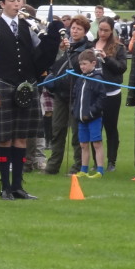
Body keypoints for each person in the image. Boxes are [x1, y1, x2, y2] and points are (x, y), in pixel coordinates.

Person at [0, 0, 62, 200]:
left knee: (21, 139)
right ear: (2, 4)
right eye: (12, 1)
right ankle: (5, 187)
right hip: (3, 86)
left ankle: (18, 186)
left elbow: (38, 55)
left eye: (19, 0)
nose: (17, 4)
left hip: (26, 87)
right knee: (5, 139)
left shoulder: (27, 26)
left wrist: (54, 40)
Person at [43, 15, 91, 175]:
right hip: (60, 95)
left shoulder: (86, 49)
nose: (75, 31)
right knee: (57, 130)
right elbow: (55, 66)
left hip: (76, 96)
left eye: (79, 29)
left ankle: (77, 166)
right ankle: (53, 166)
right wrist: (61, 50)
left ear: (85, 32)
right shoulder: (65, 47)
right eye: (74, 28)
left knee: (77, 133)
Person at [92, 17, 127, 172]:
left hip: (111, 93)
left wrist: (106, 58)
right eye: (100, 29)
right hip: (93, 93)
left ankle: (111, 161)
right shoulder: (91, 44)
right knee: (94, 128)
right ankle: (96, 162)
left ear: (112, 30)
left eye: (106, 30)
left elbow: (121, 68)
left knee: (110, 127)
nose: (103, 33)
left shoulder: (118, 47)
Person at [71, 50, 107, 178]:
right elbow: (75, 96)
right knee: (83, 144)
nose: (82, 67)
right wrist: (75, 110)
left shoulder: (97, 79)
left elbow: (102, 98)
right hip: (81, 118)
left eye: (85, 64)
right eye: (80, 64)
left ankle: (100, 170)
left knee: (96, 143)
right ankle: (84, 169)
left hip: (93, 118)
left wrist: (91, 112)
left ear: (93, 63)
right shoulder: (81, 79)